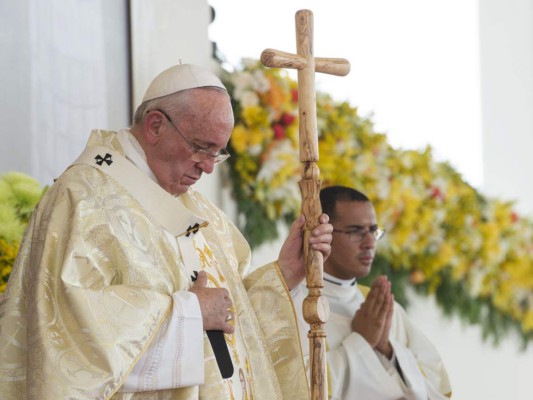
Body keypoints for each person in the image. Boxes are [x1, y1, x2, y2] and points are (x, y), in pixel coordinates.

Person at [0, 64, 333, 399]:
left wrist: (288, 271)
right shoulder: (84, 198)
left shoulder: (203, 214)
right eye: (200, 147)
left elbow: (234, 332)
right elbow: (67, 339)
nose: (206, 166)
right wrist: (190, 314)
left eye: (217, 153)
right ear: (155, 125)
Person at [294, 185, 452, 399]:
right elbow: (291, 387)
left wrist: (387, 348)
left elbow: (438, 389)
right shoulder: (296, 304)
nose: (369, 243)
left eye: (373, 231)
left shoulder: (383, 308)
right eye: (355, 231)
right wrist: (361, 341)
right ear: (322, 233)